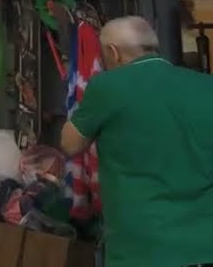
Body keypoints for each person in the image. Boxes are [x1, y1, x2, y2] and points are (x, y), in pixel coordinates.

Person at [60, 16, 213, 267]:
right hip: (205, 246)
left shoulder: (108, 87)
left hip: (141, 249)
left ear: (113, 52)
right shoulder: (207, 86)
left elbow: (70, 144)